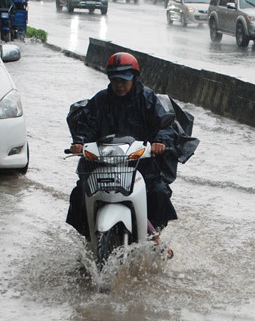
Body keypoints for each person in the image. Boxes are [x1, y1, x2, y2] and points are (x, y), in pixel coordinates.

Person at [66, 52, 197, 250]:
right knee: (79, 194)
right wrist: (79, 142)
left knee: (159, 192)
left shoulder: (147, 99)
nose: (120, 85)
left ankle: (155, 236)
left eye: (124, 80)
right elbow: (86, 126)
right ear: (110, 79)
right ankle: (89, 237)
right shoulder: (100, 101)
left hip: (141, 165)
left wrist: (159, 142)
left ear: (134, 78)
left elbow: (164, 125)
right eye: (116, 80)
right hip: (103, 164)